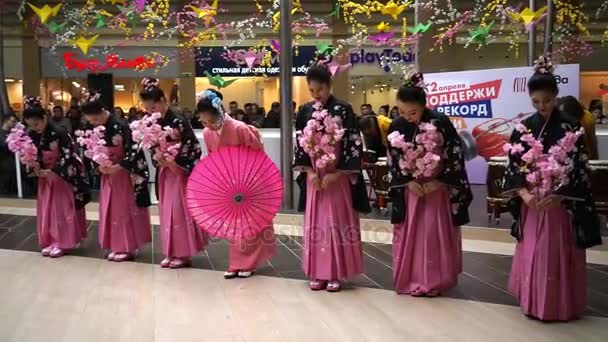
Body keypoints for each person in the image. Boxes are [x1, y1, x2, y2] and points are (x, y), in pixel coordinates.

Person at [502, 56, 602, 321]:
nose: (542, 106)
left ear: (556, 95)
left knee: (554, 253)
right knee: (533, 249)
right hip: (532, 202)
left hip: (559, 202)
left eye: (547, 100)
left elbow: (579, 167)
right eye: (536, 102)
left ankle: (559, 304)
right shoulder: (524, 127)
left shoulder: (570, 125)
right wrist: (523, 193)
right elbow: (513, 165)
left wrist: (559, 195)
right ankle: (532, 301)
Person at [387, 73, 472, 296]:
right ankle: (410, 279)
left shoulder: (439, 123)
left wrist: (439, 181)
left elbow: (454, 155)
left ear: (424, 105)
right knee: (411, 233)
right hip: (411, 190)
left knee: (433, 233)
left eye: (412, 112)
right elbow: (393, 159)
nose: (407, 117)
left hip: (436, 188)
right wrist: (406, 181)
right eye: (402, 112)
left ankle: (434, 281)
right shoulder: (396, 125)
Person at [294, 64, 370, 292]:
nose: (316, 95)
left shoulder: (343, 109)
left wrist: (337, 173)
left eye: (320, 90)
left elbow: (353, 144)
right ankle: (318, 272)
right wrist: (308, 171)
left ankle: (335, 271)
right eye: (312, 91)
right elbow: (300, 144)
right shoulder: (305, 111)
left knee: (335, 223)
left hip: (337, 177)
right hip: (314, 176)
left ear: (329, 86)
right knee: (316, 224)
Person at [196, 89, 276, 279]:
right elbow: (214, 157)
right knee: (236, 226)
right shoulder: (208, 133)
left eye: (211, 121)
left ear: (220, 113)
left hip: (250, 180)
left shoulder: (240, 128)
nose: (208, 125)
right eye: (204, 122)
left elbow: (256, 154)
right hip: (229, 183)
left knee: (250, 226)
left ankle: (247, 263)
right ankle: (237, 263)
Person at [140, 77, 208, 268]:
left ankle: (183, 253)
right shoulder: (150, 122)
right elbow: (152, 145)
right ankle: (171, 251)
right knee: (166, 210)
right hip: (165, 170)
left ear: (163, 101)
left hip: (179, 171)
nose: (150, 112)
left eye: (153, 108)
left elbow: (192, 145)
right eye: (147, 109)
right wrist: (158, 156)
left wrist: (175, 160)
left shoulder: (177, 119)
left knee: (179, 211)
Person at [81, 91, 152, 263]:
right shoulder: (97, 129)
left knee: (123, 209)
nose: (94, 123)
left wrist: (118, 166)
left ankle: (127, 247)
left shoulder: (121, 125)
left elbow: (133, 151)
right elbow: (90, 150)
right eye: (91, 121)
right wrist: (98, 165)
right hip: (108, 174)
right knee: (110, 209)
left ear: (103, 111)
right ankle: (116, 244)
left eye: (95, 119)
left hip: (124, 174)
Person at [22, 96, 90, 257]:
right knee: (47, 209)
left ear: (45, 118)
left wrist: (54, 171)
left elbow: (69, 155)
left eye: (37, 124)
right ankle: (50, 240)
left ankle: (62, 242)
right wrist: (35, 166)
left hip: (62, 176)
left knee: (60, 210)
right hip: (45, 176)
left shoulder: (59, 132)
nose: (35, 128)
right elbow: (31, 155)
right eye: (31, 125)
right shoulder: (32, 134)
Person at [0, 113, 18, 195]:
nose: (14, 124)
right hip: (3, 167)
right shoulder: (1, 134)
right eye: (13, 121)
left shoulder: (14, 134)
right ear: (6, 121)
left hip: (13, 167)